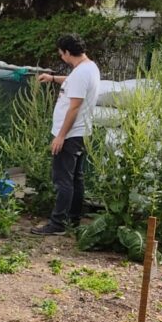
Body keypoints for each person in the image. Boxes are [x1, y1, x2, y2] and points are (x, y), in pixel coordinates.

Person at [31, 34, 100, 236]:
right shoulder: (89, 68)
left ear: (68, 52)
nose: (61, 57)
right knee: (76, 178)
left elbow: (74, 107)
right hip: (82, 133)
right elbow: (72, 82)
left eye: (62, 54)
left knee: (63, 180)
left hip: (70, 135)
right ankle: (73, 219)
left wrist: (61, 136)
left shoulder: (81, 73)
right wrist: (52, 78)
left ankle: (58, 223)